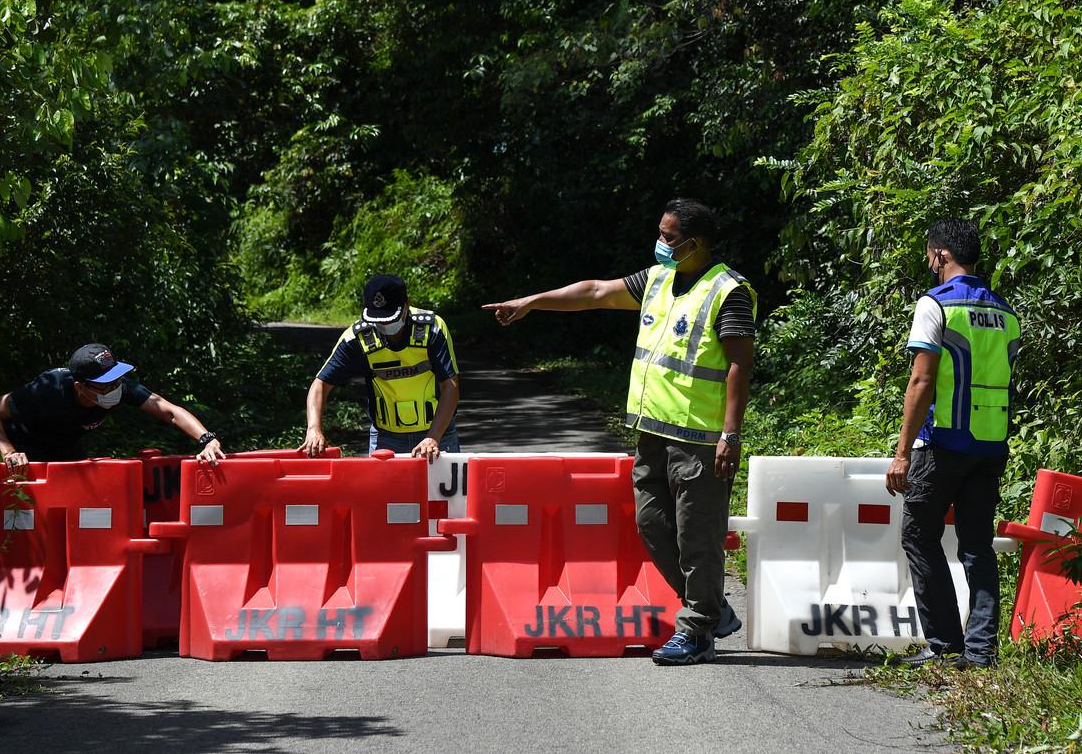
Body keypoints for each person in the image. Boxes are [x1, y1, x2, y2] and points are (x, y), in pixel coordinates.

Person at [483, 198, 755, 665]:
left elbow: (739, 365)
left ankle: (697, 628)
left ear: (695, 243)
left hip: (699, 437)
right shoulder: (657, 279)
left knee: (697, 537)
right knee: (651, 523)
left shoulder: (728, 290)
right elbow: (594, 291)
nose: (660, 242)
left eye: (669, 237)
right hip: (652, 431)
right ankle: (712, 608)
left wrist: (730, 435)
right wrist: (532, 302)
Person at [886, 219, 1020, 669]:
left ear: (941, 254)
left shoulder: (936, 304)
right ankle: (981, 652)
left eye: (929, 255)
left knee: (918, 536)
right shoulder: (1005, 312)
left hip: (942, 442)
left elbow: (921, 381)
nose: (929, 262)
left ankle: (945, 645)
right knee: (977, 545)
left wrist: (902, 453)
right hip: (991, 444)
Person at [0, 343, 225, 467]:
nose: (114, 388)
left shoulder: (121, 387)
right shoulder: (47, 389)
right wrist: (9, 452)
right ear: (80, 387)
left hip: (68, 454)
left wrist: (208, 440)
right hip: (25, 459)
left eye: (116, 380)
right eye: (105, 385)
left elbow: (169, 411)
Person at [301, 274, 461, 460]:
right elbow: (320, 384)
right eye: (378, 319)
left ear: (407, 304)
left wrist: (433, 437)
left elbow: (450, 386)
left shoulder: (431, 328)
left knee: (443, 481)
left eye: (390, 318)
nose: (384, 325)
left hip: (439, 434)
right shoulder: (357, 338)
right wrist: (313, 428)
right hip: (386, 439)